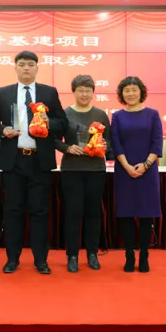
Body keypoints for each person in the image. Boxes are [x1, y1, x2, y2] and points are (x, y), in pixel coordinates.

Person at [0, 50, 68, 274]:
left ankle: (41, 260)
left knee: (40, 212)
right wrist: (3, 130)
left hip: (39, 161)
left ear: (37, 68)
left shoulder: (48, 92)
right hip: (14, 161)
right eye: (21, 64)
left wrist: (47, 122)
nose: (26, 68)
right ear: (15, 68)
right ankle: (12, 259)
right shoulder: (4, 93)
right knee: (13, 211)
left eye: (30, 64)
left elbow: (62, 122)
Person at [54, 75, 112, 273]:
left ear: (93, 92)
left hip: (96, 170)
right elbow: (54, 139)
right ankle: (72, 255)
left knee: (93, 212)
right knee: (73, 212)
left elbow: (109, 141)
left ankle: (92, 254)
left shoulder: (101, 114)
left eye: (88, 90)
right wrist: (67, 148)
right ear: (74, 92)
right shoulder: (65, 114)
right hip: (72, 170)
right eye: (80, 90)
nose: (84, 94)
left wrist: (104, 146)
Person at [110, 76, 163, 273]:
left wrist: (146, 164)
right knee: (126, 214)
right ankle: (129, 255)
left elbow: (157, 142)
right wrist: (127, 166)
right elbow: (116, 143)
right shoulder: (117, 116)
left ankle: (144, 255)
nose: (130, 93)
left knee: (146, 215)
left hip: (147, 172)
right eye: (127, 90)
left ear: (141, 92)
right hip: (124, 171)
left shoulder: (153, 114)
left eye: (134, 90)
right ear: (121, 94)